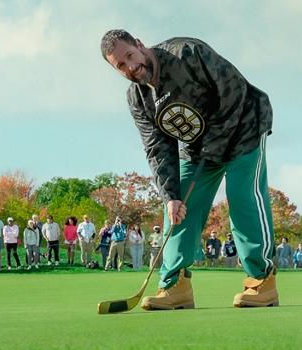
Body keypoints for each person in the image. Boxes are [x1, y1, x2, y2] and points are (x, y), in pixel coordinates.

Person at [102, 29, 277, 309]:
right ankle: (175, 285)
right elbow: (157, 147)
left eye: (130, 56)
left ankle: (261, 279)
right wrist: (170, 194)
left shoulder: (187, 53)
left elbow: (233, 94)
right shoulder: (138, 99)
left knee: (242, 198)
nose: (131, 67)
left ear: (139, 45)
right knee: (178, 208)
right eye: (121, 66)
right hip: (197, 151)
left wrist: (213, 148)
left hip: (244, 128)